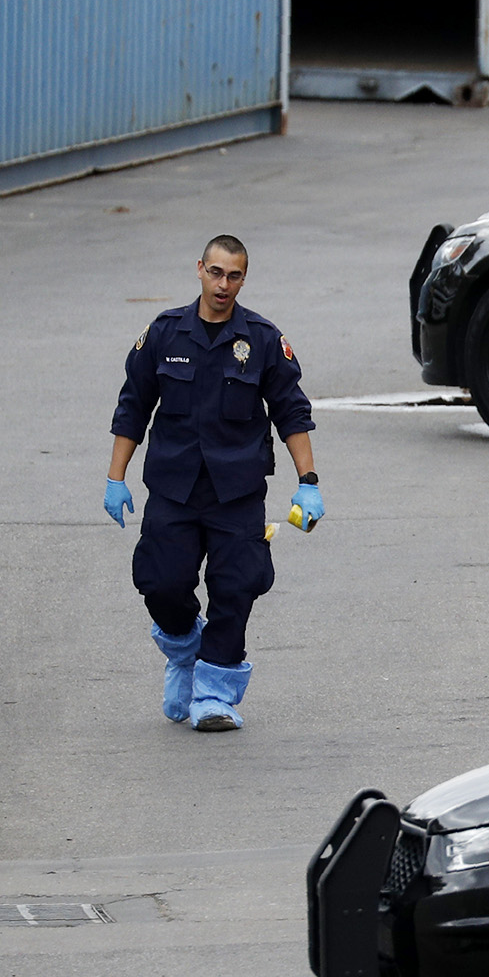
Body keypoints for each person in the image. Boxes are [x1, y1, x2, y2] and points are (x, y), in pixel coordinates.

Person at [104, 235, 318, 732]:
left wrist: (308, 480)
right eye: (216, 273)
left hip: (236, 491)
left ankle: (216, 692)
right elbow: (133, 404)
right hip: (174, 488)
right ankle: (185, 650)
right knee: (161, 583)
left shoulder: (262, 339)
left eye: (235, 276)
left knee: (236, 586)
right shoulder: (165, 333)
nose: (224, 285)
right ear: (199, 269)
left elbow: (291, 410)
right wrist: (116, 476)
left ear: (245, 278)